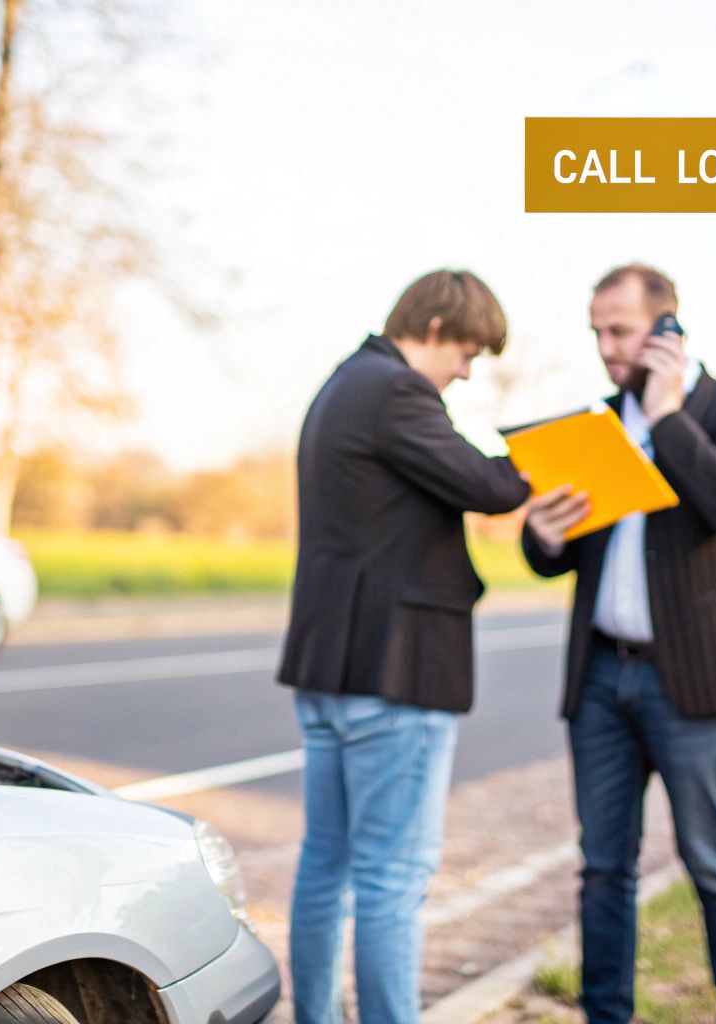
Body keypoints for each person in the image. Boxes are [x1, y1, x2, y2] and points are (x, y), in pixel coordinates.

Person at [520, 263, 716, 1024]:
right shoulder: (594, 424)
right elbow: (560, 554)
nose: (606, 348)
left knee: (715, 862)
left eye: (620, 331)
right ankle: (605, 1015)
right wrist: (541, 537)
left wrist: (670, 420)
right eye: (597, 333)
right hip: (603, 678)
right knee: (604, 869)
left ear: (668, 330)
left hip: (695, 683)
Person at [279, 269, 531, 1024]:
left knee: (326, 867)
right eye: (467, 352)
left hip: (330, 665)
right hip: (394, 670)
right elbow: (486, 486)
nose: (465, 372)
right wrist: (552, 458)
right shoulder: (398, 392)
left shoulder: (342, 384)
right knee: (394, 879)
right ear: (432, 327)